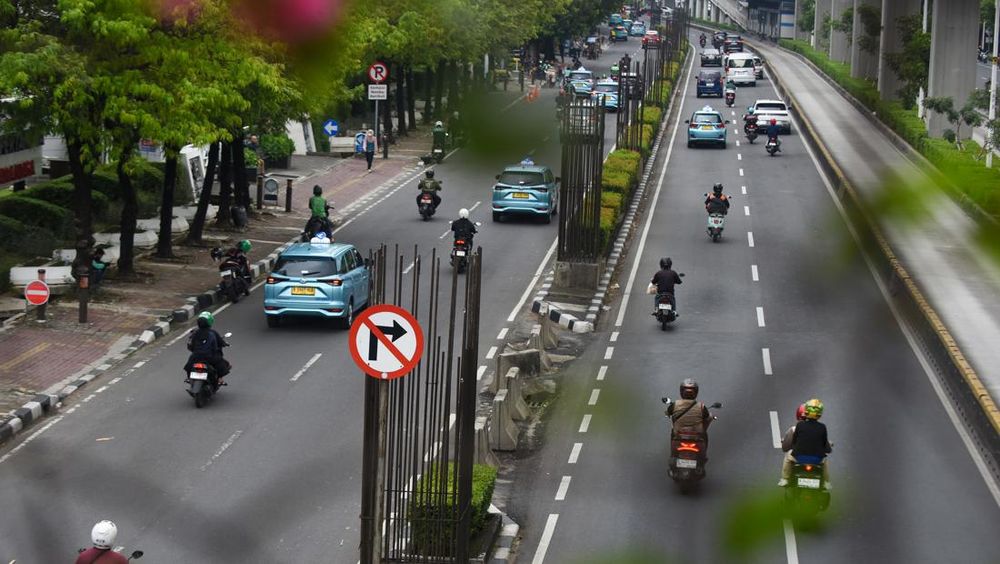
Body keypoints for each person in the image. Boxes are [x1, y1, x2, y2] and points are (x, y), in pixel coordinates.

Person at [779, 398, 832, 488]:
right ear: (819, 414)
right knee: (825, 460)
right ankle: (826, 482)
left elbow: (794, 442)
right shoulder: (822, 427)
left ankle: (785, 479)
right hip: (817, 460)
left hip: (799, 458)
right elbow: (826, 447)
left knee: (788, 456)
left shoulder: (799, 425)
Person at [184, 311, 230, 384]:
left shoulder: (195, 333)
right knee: (223, 364)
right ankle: (219, 379)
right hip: (209, 357)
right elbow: (215, 346)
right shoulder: (212, 333)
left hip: (196, 356)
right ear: (210, 322)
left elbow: (191, 345)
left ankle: (189, 378)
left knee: (189, 365)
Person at [665, 378, 713, 443]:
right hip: (696, 437)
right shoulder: (701, 406)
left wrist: (668, 414)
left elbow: (667, 413)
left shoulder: (675, 404)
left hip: (679, 436)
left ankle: (673, 450)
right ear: (696, 392)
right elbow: (708, 417)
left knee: (673, 432)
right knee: (704, 434)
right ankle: (704, 451)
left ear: (681, 391)